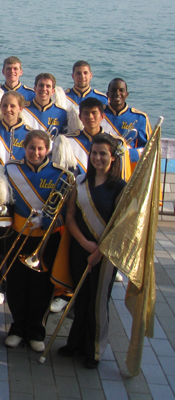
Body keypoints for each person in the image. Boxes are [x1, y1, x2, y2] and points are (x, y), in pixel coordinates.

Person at [58, 133, 126, 369]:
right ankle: (75, 342)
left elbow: (119, 226)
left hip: (105, 255)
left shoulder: (119, 187)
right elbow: (70, 216)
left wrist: (98, 252)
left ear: (113, 158)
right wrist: (86, 245)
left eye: (103, 154)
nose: (97, 158)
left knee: (98, 303)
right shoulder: (81, 182)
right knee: (80, 297)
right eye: (94, 153)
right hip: (81, 249)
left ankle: (93, 350)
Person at [3, 130, 67, 352]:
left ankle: (37, 331)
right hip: (18, 236)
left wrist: (47, 218)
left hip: (46, 240)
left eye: (40, 148)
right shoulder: (11, 170)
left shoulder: (60, 175)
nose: (36, 152)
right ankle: (17, 328)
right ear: (24, 148)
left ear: (48, 149)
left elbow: (65, 211)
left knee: (41, 288)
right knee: (17, 286)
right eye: (31, 148)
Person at [104, 78, 150, 149]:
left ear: (126, 94)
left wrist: (127, 154)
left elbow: (148, 147)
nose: (117, 93)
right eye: (113, 90)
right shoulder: (98, 113)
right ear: (107, 94)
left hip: (129, 159)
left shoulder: (139, 118)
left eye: (121, 90)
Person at [0, 91, 32, 164]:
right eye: (5, 105)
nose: (8, 109)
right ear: (0, 106)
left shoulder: (29, 134)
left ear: (20, 109)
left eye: (12, 106)